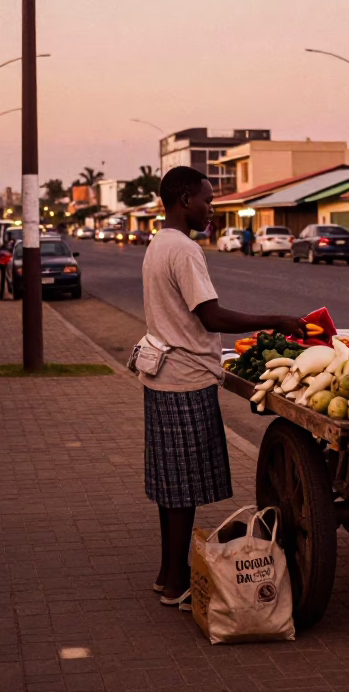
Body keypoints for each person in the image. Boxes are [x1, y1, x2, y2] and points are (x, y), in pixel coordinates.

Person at [139, 166, 306, 612]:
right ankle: (176, 583)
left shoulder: (158, 242)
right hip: (184, 378)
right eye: (207, 200)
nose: (211, 208)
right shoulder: (185, 249)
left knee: (172, 488)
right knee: (183, 490)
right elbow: (210, 316)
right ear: (183, 200)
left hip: (163, 375)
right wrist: (276, 319)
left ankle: (166, 574)